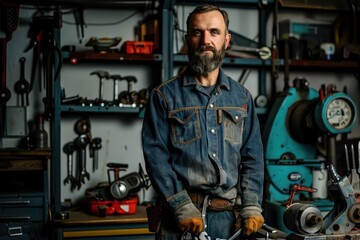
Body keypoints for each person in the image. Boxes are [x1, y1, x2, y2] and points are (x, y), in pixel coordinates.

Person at [142, 4, 264, 240]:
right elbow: (156, 158)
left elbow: (253, 158)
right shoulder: (164, 97)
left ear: (226, 40)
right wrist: (180, 205)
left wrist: (251, 205)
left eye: (214, 32)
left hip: (229, 221)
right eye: (198, 32)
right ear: (188, 39)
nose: (205, 40)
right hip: (179, 221)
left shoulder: (242, 98)